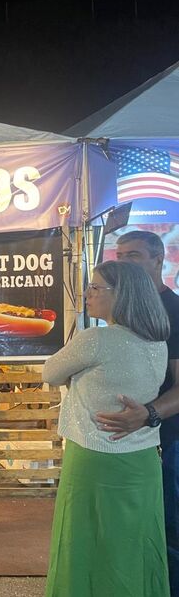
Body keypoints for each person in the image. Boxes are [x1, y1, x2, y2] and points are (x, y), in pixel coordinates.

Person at [43, 261, 170, 595]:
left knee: (83, 544)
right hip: (143, 460)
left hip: (93, 457)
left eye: (96, 287)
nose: (88, 293)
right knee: (135, 546)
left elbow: (50, 372)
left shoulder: (95, 340)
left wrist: (77, 377)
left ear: (121, 295)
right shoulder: (159, 343)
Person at [94, 230, 179, 594]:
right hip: (126, 443)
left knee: (166, 527)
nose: (123, 263)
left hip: (166, 441)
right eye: (120, 256)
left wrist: (149, 413)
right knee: (131, 529)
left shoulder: (174, 311)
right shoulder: (121, 314)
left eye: (133, 256)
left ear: (159, 261)